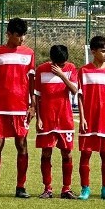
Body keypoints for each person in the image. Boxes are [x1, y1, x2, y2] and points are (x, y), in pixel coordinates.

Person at [0, 18, 35, 199]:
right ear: (9, 34)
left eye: (23, 35)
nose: (21, 39)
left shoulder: (29, 53)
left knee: (21, 145)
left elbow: (31, 81)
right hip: (0, 107)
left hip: (21, 107)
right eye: (18, 35)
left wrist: (32, 105)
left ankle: (21, 187)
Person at [33, 44, 79, 199]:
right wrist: (38, 118)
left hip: (65, 119)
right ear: (52, 60)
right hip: (46, 119)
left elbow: (74, 90)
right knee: (46, 153)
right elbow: (37, 97)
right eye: (58, 64)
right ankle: (48, 188)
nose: (60, 66)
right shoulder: (41, 70)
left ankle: (66, 188)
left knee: (67, 153)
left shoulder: (71, 68)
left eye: (63, 63)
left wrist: (62, 75)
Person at [78, 36, 105, 201]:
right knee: (86, 153)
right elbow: (80, 97)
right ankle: (85, 188)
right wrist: (82, 118)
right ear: (93, 51)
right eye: (103, 51)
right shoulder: (84, 71)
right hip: (89, 119)